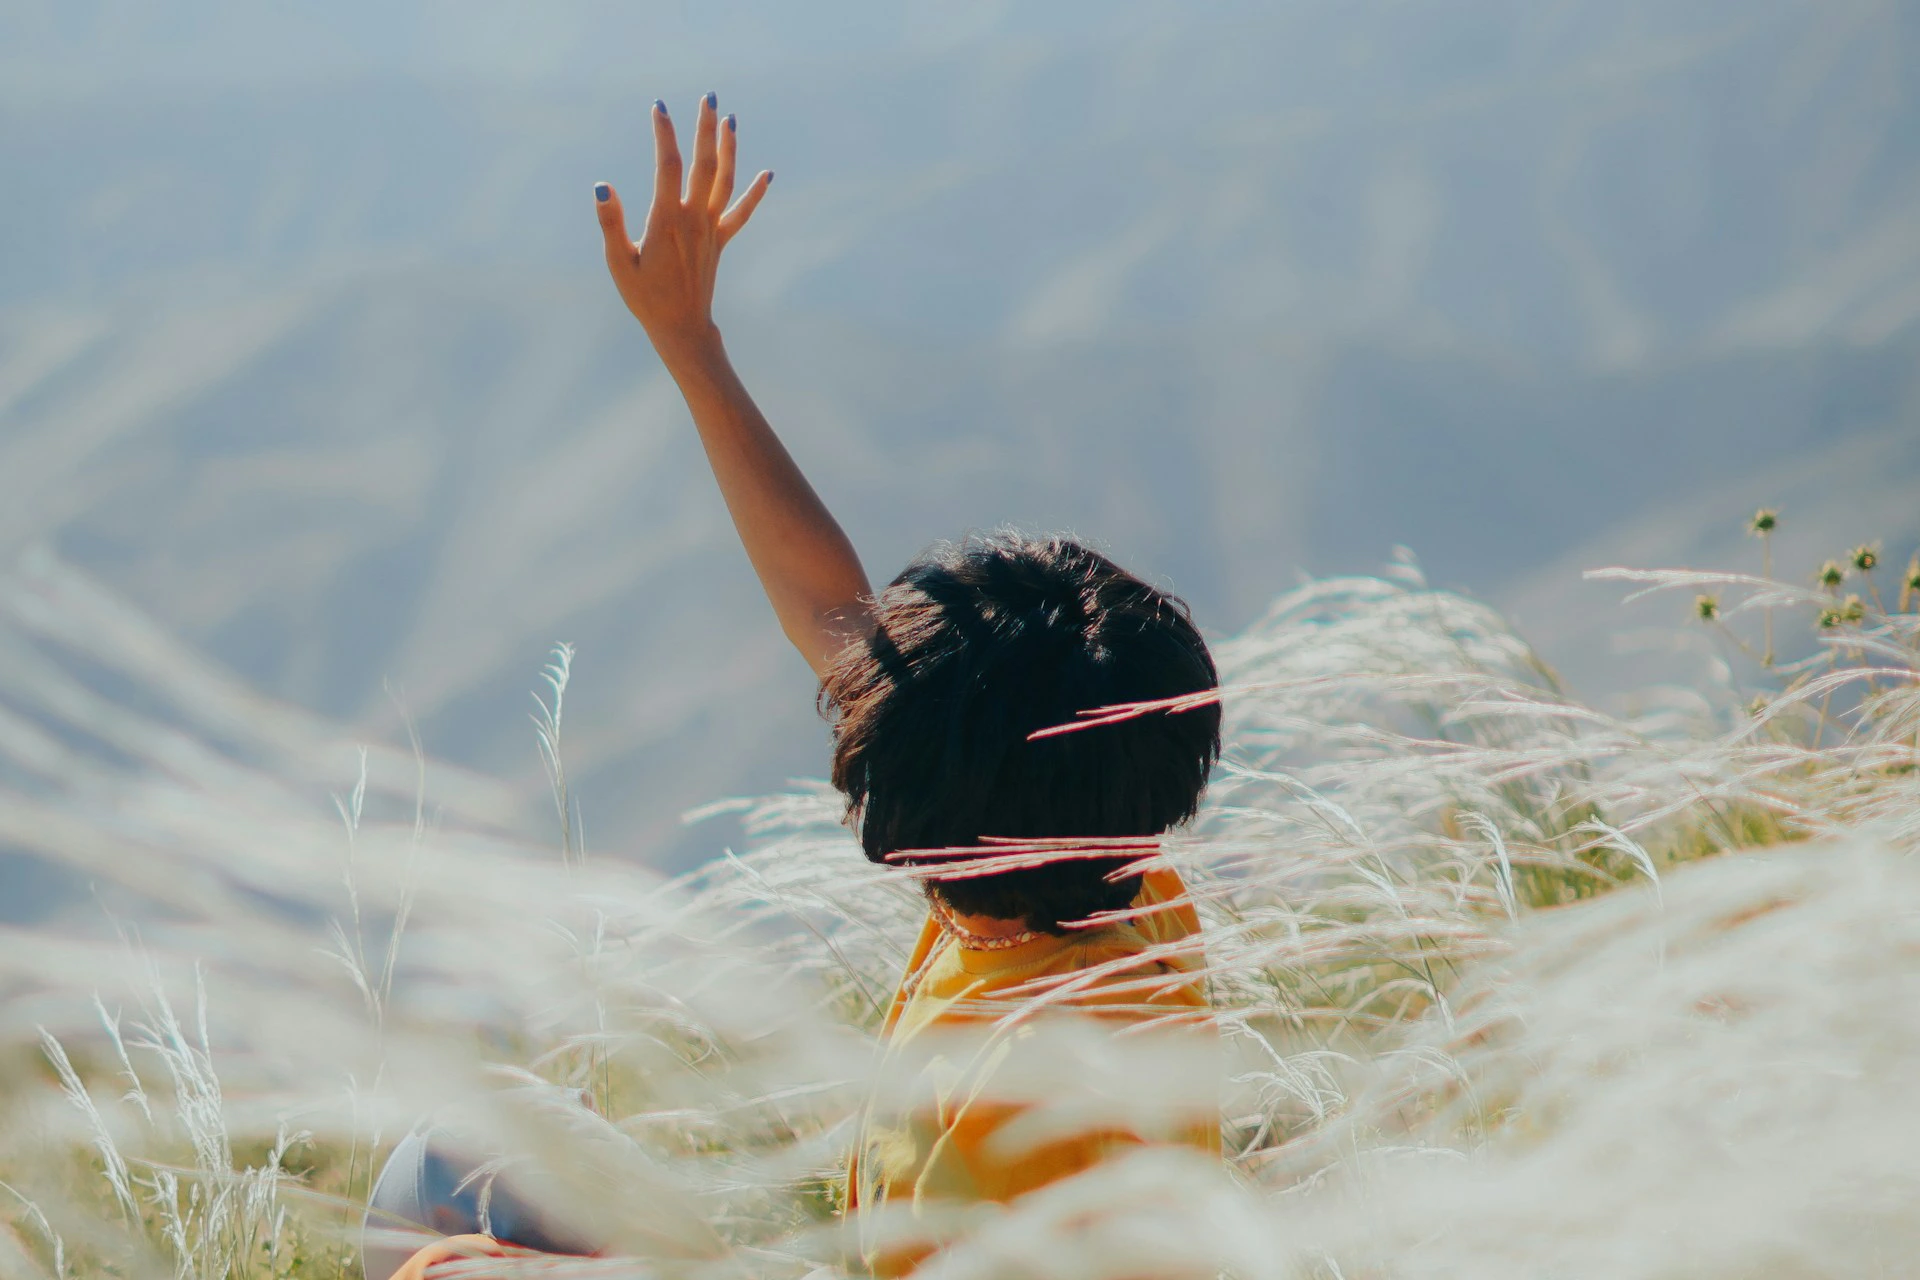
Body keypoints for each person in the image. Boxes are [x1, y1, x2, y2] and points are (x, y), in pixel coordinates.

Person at [376, 91, 1223, 1279]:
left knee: (425, 1221)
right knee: (461, 1148)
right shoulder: (1110, 880)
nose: (856, 666)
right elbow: (834, 616)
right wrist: (692, 344)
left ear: (921, 801)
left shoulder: (1003, 1114)